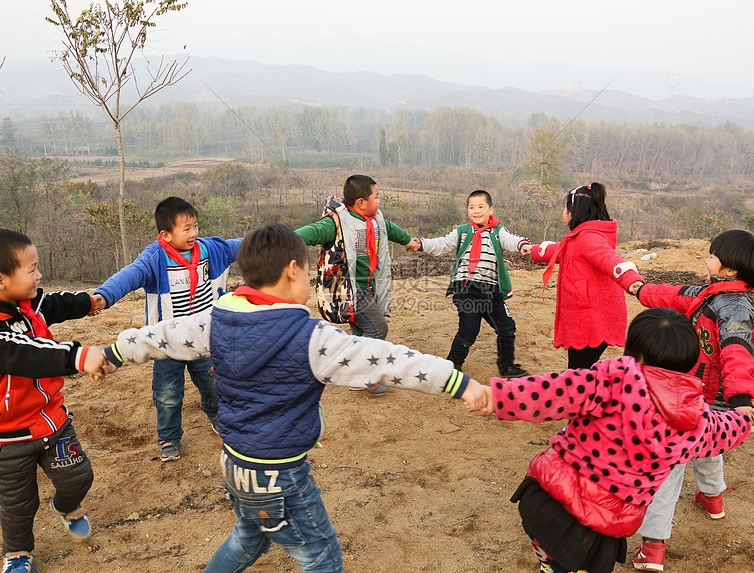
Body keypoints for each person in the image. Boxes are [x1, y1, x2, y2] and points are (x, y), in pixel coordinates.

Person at [102, 224, 489, 572]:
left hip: (236, 465)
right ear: (292, 271)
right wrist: (458, 383)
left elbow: (162, 335)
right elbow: (388, 360)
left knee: (248, 539)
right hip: (279, 475)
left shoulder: (215, 320)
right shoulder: (312, 339)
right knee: (323, 559)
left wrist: (115, 352)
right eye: (309, 270)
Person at [472, 307, 754, 573]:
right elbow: (724, 430)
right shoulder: (695, 418)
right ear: (689, 364)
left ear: (638, 356)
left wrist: (497, 396)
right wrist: (745, 420)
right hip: (604, 526)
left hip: (548, 501)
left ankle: (549, 562)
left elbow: (553, 391)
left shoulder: (613, 378)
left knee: (551, 553)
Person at [626, 229, 754, 572]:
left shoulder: (734, 310)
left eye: (712, 255)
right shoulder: (709, 294)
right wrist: (637, 287)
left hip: (703, 398)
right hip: (707, 399)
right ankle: (712, 497)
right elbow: (671, 295)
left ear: (730, 269)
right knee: (710, 446)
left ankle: (653, 547)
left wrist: (740, 399)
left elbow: (738, 354)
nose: (708, 258)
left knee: (668, 470)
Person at [0, 229, 110, 573]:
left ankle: (66, 505)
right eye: (32, 269)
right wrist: (77, 356)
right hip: (5, 438)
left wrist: (87, 302)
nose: (40, 275)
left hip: (52, 421)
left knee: (78, 478)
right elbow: (23, 352)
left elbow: (53, 303)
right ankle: (17, 555)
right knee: (18, 504)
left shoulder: (27, 300)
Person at [92, 196, 241, 462]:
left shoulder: (210, 250)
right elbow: (129, 275)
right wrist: (104, 296)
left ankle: (217, 415)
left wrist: (277, 239)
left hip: (203, 339)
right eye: (186, 228)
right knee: (167, 394)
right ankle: (169, 437)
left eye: (195, 226)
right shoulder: (154, 258)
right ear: (166, 235)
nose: (194, 232)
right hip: (166, 343)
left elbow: (244, 245)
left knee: (212, 384)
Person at [296, 174, 420, 394]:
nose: (379, 201)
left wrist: (409, 240)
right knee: (378, 328)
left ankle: (360, 374)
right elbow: (311, 233)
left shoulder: (375, 220)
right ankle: (358, 375)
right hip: (349, 289)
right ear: (361, 202)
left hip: (369, 287)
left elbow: (390, 229)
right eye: (377, 196)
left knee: (360, 332)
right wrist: (279, 239)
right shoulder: (336, 223)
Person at [524, 182, 645, 369]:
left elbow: (610, 260)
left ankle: (585, 396)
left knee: (577, 372)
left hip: (590, 320)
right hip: (589, 316)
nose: (563, 213)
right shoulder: (581, 237)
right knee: (582, 368)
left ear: (574, 212)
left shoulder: (589, 238)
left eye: (565, 208)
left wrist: (631, 280)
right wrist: (535, 250)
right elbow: (561, 250)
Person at [413, 189, 531, 377]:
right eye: (471, 207)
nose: (476, 211)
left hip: (491, 290)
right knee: (469, 329)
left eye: (481, 207)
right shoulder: (461, 232)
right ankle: (452, 367)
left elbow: (511, 240)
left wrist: (523, 244)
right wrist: (421, 244)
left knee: (507, 327)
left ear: (491, 209)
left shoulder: (498, 231)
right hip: (466, 287)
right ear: (467, 211)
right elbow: (441, 244)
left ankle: (507, 366)